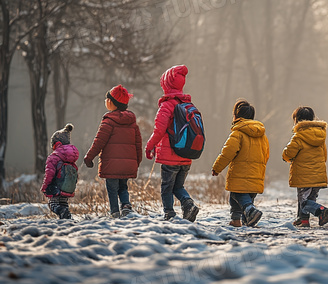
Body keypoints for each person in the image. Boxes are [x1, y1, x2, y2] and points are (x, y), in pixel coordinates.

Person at [145, 65, 200, 221]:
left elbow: (159, 130)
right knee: (178, 186)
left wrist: (149, 146)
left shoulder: (166, 105)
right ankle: (188, 204)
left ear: (166, 85)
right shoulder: (188, 105)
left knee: (167, 188)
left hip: (170, 156)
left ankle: (169, 214)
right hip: (187, 154)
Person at [84, 85, 143, 218]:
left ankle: (115, 212)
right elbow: (138, 144)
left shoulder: (108, 122)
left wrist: (89, 157)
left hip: (111, 165)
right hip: (127, 164)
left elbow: (99, 142)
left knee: (112, 188)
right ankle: (126, 206)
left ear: (111, 103)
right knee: (123, 187)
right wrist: (137, 161)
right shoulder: (132, 122)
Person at [211, 99, 268, 227]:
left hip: (240, 173)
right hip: (256, 173)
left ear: (236, 115)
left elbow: (227, 153)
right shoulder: (262, 135)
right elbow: (266, 154)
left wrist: (217, 167)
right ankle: (241, 220)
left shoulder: (237, 133)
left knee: (237, 194)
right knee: (245, 197)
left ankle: (250, 212)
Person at [282, 106, 328, 227]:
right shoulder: (321, 136)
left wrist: (285, 156)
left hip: (303, 175)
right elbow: (324, 156)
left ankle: (321, 210)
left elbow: (289, 153)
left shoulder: (298, 136)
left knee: (303, 200)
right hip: (318, 174)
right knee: (310, 199)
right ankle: (303, 220)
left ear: (297, 120)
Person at [41, 124, 79, 219]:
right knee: (63, 203)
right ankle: (66, 217)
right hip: (67, 187)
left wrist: (45, 186)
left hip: (56, 187)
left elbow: (49, 173)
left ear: (56, 144)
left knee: (53, 205)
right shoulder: (71, 157)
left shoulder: (53, 157)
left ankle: (62, 212)